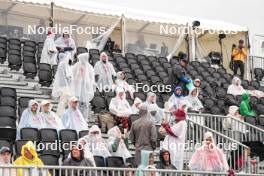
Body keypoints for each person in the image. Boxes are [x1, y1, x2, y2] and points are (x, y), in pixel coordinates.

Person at [72, 53, 95, 121]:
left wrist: (91, 83)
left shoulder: (89, 67)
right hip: (78, 87)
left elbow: (92, 76)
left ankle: (85, 117)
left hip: (86, 88)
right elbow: (72, 74)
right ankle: (76, 116)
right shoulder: (76, 66)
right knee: (77, 102)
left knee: (85, 103)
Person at [52, 53, 74, 117]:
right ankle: (60, 114)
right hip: (64, 86)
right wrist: (70, 78)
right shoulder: (63, 64)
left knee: (63, 101)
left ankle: (62, 114)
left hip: (62, 86)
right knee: (63, 101)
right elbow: (67, 75)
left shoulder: (61, 64)